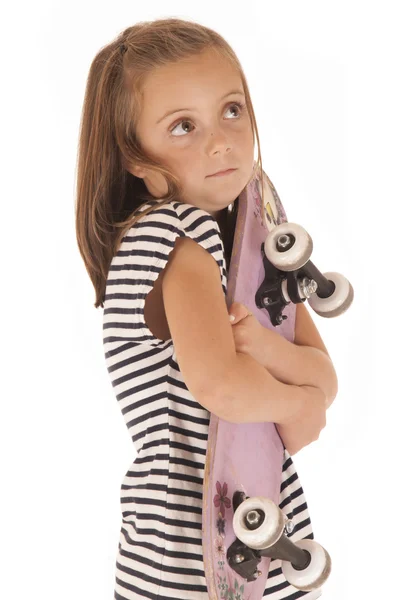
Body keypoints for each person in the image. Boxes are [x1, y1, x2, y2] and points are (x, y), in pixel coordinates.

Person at [75, 17, 338, 600]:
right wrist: (296, 398)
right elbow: (227, 390)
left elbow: (325, 383)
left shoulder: (248, 245)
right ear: (136, 160)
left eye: (231, 110)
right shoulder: (177, 235)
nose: (220, 140)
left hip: (242, 518)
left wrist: (268, 351)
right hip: (190, 542)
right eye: (183, 126)